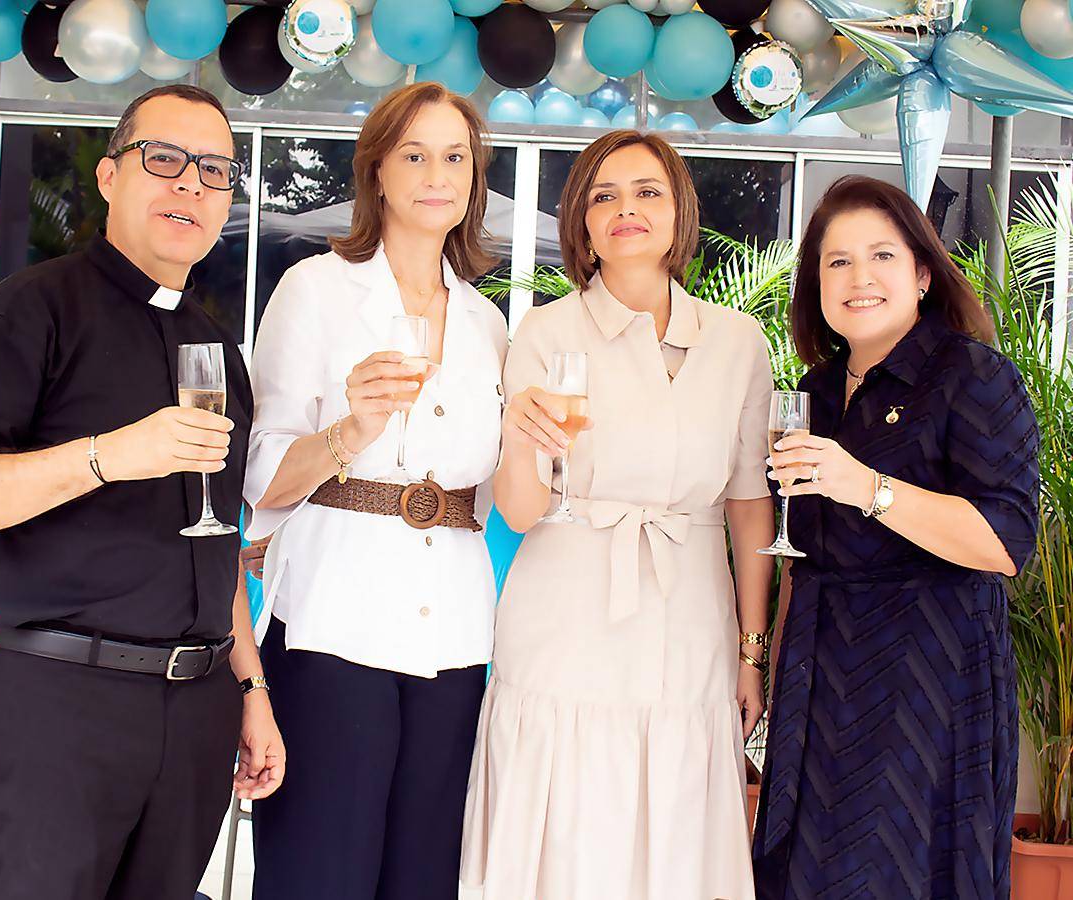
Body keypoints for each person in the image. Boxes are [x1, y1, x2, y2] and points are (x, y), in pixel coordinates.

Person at [0, 85, 283, 899]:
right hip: (58, 709)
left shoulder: (217, 348)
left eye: (214, 170)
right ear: (110, 176)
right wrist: (108, 456)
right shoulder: (27, 311)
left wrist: (250, 691)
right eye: (165, 159)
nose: (190, 184)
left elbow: (216, 547)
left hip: (195, 714)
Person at [461, 129, 776, 900]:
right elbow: (520, 510)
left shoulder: (738, 342)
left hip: (690, 617)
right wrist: (521, 440)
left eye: (647, 192)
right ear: (582, 223)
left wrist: (751, 651)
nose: (625, 209)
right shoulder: (546, 332)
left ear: (679, 214)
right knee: (566, 820)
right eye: (603, 196)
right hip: (565, 614)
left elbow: (748, 504)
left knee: (675, 830)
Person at [244, 81, 507, 900]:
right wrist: (349, 431)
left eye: (455, 156)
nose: (438, 174)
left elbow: (494, 493)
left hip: (455, 633)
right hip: (333, 622)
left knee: (423, 878)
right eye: (416, 154)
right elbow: (259, 476)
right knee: (320, 873)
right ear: (378, 174)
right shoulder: (314, 290)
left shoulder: (487, 325)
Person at [753, 175, 1039, 899]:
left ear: (920, 271)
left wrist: (867, 488)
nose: (859, 278)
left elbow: (1004, 542)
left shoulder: (972, 376)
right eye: (837, 261)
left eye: (881, 256)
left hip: (924, 684)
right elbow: (800, 556)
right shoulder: (811, 394)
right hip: (817, 677)